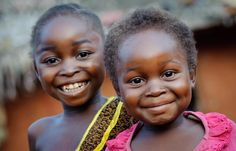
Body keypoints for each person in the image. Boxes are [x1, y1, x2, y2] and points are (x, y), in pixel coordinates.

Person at [104, 7, 236, 151]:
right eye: (136, 81)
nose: (155, 91)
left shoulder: (225, 134)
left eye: (168, 74)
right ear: (118, 90)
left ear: (191, 76)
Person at [28, 3, 136, 151]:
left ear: (106, 55)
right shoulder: (39, 133)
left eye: (83, 54)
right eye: (52, 60)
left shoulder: (132, 114)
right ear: (36, 70)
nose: (69, 70)